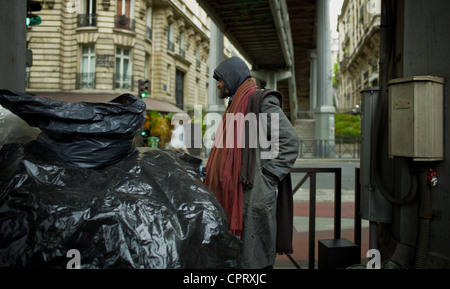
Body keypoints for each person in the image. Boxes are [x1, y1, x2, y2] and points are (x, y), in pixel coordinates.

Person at [204, 56, 300, 269]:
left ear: (231, 77)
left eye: (219, 79)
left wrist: (268, 177)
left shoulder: (260, 101)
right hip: (236, 191)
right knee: (239, 258)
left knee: (255, 260)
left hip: (253, 193)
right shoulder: (234, 105)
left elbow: (290, 142)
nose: (218, 84)